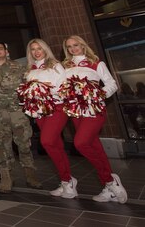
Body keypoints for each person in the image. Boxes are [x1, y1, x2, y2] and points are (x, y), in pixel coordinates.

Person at [62, 35, 128, 203]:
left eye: (76, 45)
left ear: (83, 45)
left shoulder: (96, 63)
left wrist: (96, 95)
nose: (73, 49)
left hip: (94, 109)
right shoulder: (65, 66)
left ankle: (110, 180)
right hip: (76, 112)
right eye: (69, 47)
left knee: (80, 143)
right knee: (95, 146)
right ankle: (109, 188)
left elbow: (112, 84)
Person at [0, 42, 41, 192]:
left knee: (23, 143)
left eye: (0, 49)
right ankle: (6, 177)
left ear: (6, 51)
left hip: (17, 111)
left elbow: (27, 86)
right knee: (2, 145)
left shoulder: (18, 67)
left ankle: (30, 175)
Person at [24, 39, 71, 197]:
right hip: (40, 112)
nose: (36, 52)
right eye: (33, 49)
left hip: (56, 108)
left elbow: (62, 87)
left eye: (39, 48)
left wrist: (43, 92)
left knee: (47, 141)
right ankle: (67, 181)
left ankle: (68, 181)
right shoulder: (30, 70)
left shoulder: (55, 65)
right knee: (55, 145)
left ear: (45, 49)